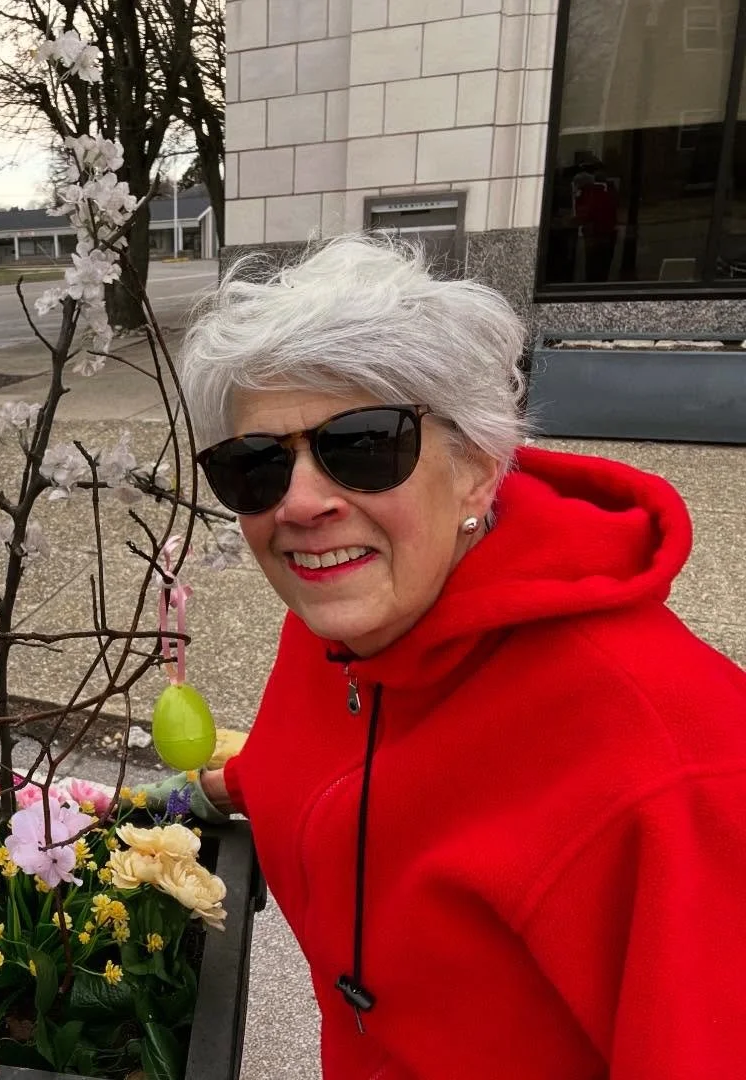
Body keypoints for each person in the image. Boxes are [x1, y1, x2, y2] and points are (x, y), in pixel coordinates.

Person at [169, 236, 746, 1078]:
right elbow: (340, 759)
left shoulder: (672, 771)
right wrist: (217, 787)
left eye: (362, 445)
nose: (298, 503)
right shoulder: (348, 619)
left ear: (476, 466)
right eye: (255, 465)